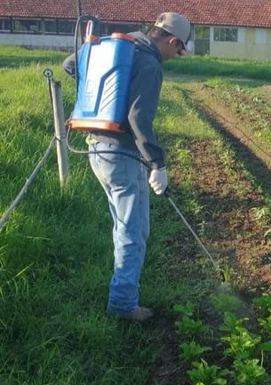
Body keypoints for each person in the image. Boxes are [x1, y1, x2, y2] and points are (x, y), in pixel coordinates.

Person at [63, 12, 191, 321]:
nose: (175, 57)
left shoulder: (119, 46)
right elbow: (138, 119)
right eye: (178, 50)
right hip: (121, 153)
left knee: (125, 226)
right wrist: (157, 163)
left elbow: (69, 65)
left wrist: (103, 92)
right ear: (172, 41)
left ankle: (122, 294)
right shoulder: (149, 63)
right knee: (132, 231)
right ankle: (122, 305)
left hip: (96, 147)